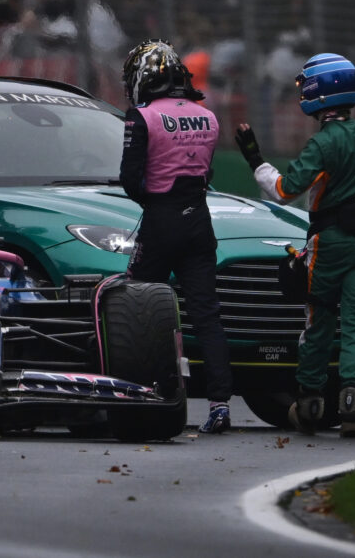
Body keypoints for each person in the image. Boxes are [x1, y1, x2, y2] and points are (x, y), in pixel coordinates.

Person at [234, 52, 355, 438]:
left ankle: (310, 399)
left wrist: (255, 158)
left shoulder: (322, 144)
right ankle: (353, 399)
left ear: (320, 92)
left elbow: (284, 191)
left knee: (319, 321)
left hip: (329, 243)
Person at [119, 39, 233, 434]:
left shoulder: (142, 116)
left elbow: (130, 180)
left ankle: (140, 392)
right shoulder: (208, 116)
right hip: (199, 220)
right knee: (207, 314)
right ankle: (220, 404)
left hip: (161, 219)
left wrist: (153, 198)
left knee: (135, 306)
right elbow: (207, 173)